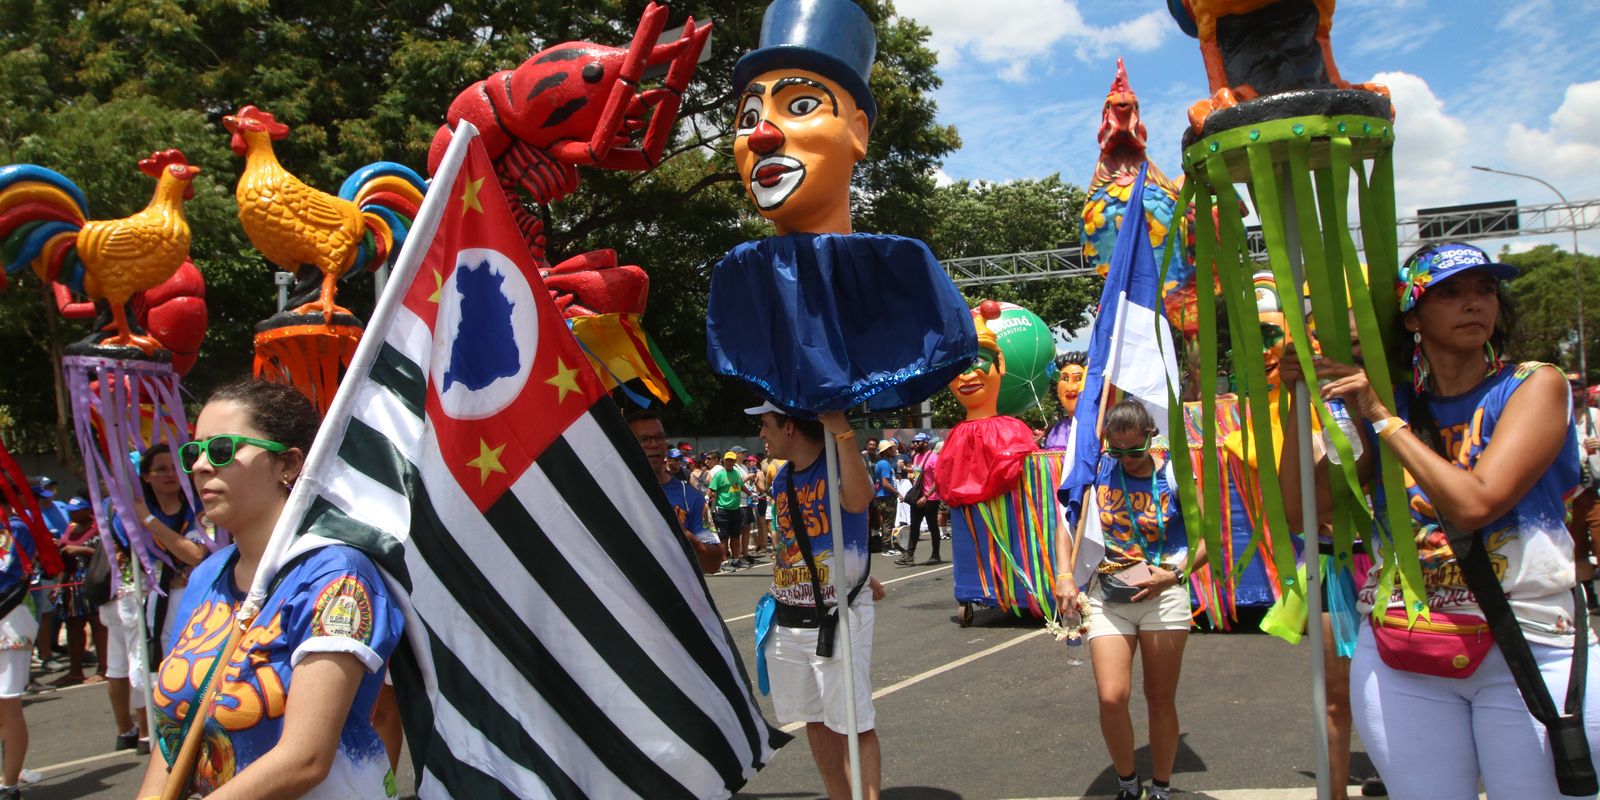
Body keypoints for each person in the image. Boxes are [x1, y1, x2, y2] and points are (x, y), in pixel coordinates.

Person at [1279, 242, 1600, 799]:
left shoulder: (1533, 386)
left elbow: (1475, 504)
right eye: (1448, 293)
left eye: (1484, 290)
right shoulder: (1392, 402)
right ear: (1413, 318)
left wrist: (1380, 417)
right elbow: (1301, 506)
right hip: (1404, 649)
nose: (1473, 303)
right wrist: (1294, 397)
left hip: (1526, 642)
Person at [136, 378, 403, 798]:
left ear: (288, 465)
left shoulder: (337, 576)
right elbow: (176, 735)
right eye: (194, 452)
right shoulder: (207, 576)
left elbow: (305, 759)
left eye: (222, 449)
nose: (202, 465)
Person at [1057, 399, 1203, 800]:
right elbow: (1066, 524)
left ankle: (1161, 786)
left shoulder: (1174, 474)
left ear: (1150, 437)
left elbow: (1209, 537)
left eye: (1134, 451)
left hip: (1163, 594)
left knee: (1159, 699)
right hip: (1108, 595)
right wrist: (1064, 574)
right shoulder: (1095, 473)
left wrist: (1173, 574)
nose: (1125, 459)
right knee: (1111, 695)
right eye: (1115, 450)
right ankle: (1126, 782)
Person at [751, 401, 886, 800]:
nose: (762, 434)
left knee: (853, 723)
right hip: (789, 616)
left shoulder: (838, 466)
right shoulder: (781, 479)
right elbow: (796, 543)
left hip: (837, 617)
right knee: (815, 719)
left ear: (789, 427)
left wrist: (841, 429)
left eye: (766, 425)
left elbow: (859, 502)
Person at [628, 410, 724, 574]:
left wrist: (684, 534)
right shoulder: (612, 493)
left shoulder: (691, 497)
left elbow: (713, 564)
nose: (653, 444)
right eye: (644, 439)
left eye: (659, 438)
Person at [0, 498, 38, 799]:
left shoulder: (15, 529)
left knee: (7, 704)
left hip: (9, 622)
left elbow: (10, 575)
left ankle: (9, 783)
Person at [49, 496, 102, 687]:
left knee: (97, 622)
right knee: (73, 624)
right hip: (71, 580)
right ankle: (75, 671)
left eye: (77, 509)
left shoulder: (98, 527)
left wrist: (81, 550)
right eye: (70, 510)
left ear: (88, 510)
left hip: (92, 577)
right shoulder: (71, 528)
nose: (72, 513)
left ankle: (103, 668)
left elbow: (106, 552)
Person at [1569, 375, 1600, 611]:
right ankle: (1590, 598)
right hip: (1570, 496)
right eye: (1568, 387)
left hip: (1594, 492)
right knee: (1577, 548)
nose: (1573, 392)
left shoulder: (1596, 417)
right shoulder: (1556, 417)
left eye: (1577, 387)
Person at [897, 433, 943, 565]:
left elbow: (938, 480)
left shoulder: (934, 458)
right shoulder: (916, 457)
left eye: (918, 442)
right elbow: (917, 474)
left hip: (931, 498)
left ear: (925, 443)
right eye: (914, 442)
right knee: (915, 526)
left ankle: (936, 555)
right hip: (917, 498)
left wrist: (926, 496)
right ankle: (909, 555)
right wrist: (906, 469)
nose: (915, 444)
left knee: (933, 526)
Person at [708, 451, 749, 572]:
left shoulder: (736, 473)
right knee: (723, 537)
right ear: (724, 461)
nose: (729, 463)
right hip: (723, 510)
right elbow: (711, 489)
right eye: (727, 460)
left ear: (734, 462)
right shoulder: (719, 475)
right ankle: (724, 562)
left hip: (735, 510)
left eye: (732, 460)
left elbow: (740, 485)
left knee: (736, 536)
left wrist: (751, 493)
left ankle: (736, 560)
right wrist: (706, 497)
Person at [871, 440, 899, 555]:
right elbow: (885, 483)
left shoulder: (879, 463)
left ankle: (887, 545)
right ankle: (887, 548)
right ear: (886, 451)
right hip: (887, 497)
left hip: (881, 496)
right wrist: (897, 493)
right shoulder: (885, 464)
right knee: (888, 522)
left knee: (885, 522)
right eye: (891, 448)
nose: (893, 450)